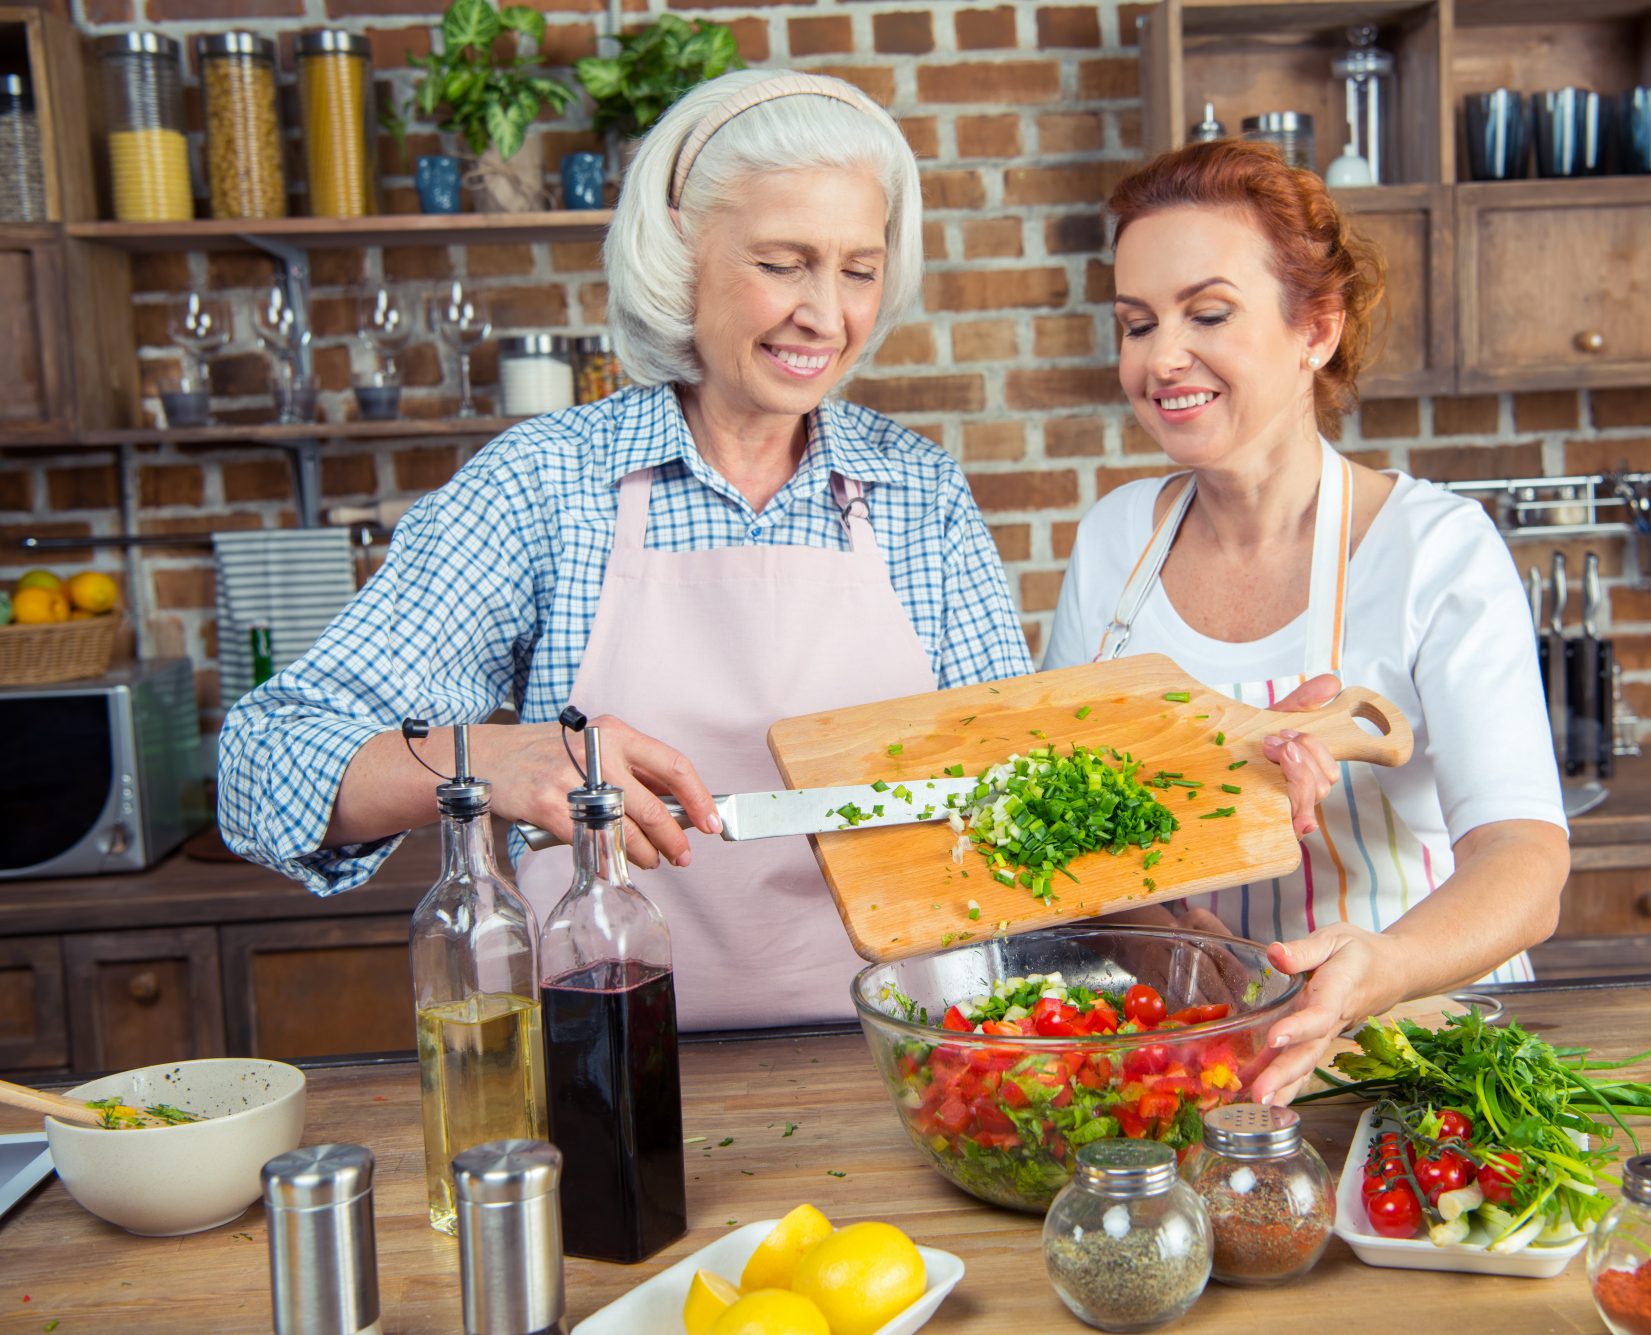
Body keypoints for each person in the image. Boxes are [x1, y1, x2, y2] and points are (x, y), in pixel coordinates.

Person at [218, 70, 1032, 1030]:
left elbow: (1015, 793)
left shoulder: (919, 493)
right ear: (680, 250)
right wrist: (490, 759)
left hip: (909, 1064)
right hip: (610, 1067)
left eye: (859, 268)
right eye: (783, 262)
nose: (827, 313)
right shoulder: (545, 486)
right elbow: (260, 763)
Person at [1045, 140, 1570, 1103]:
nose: (1162, 358)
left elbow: (1526, 862)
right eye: (1137, 323)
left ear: (1315, 328)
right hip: (1200, 1058)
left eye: (1208, 313)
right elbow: (1069, 831)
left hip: (1419, 1059)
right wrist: (1155, 930)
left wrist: (1383, 965)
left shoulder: (1433, 549)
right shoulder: (1116, 538)